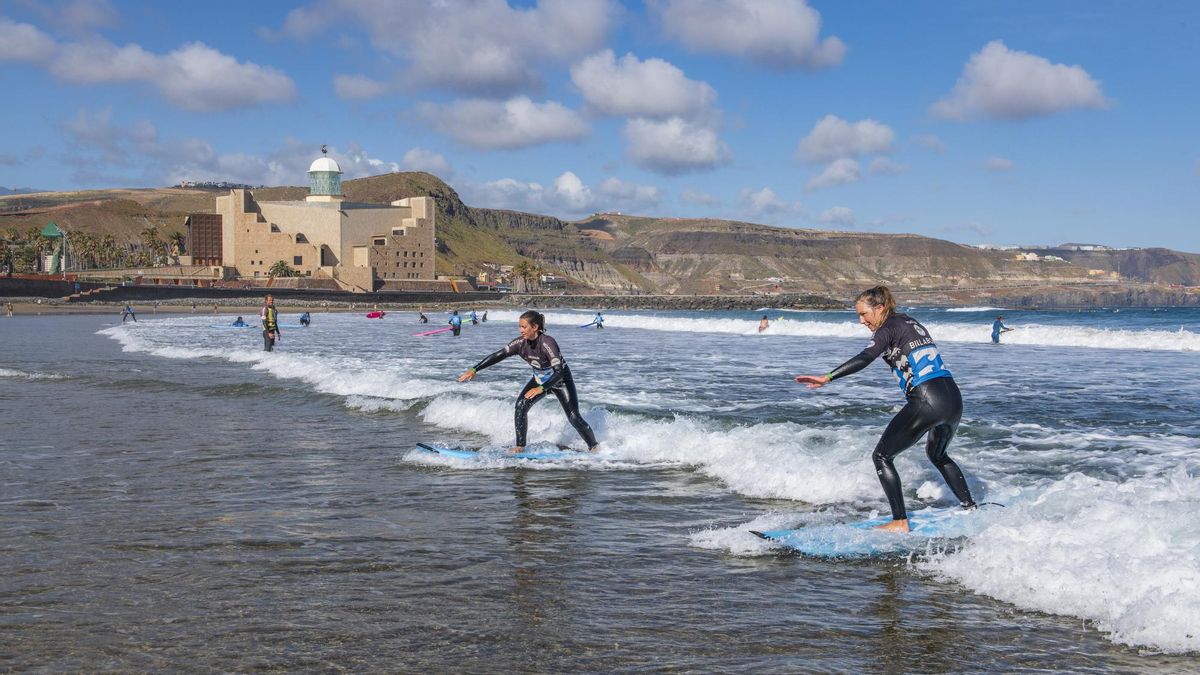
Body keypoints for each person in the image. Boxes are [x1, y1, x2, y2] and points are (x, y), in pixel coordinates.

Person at [793, 286, 976, 533]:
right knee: (938, 454)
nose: (861, 321)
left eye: (864, 314)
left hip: (926, 399)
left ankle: (899, 522)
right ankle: (970, 507)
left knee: (882, 456)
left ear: (880, 308)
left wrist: (828, 377)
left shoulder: (887, 328)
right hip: (952, 398)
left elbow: (865, 357)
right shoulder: (910, 322)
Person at [458, 310, 599, 454]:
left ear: (535, 327)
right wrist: (474, 369)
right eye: (519, 326)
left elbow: (559, 372)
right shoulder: (520, 343)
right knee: (521, 405)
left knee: (574, 417)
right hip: (540, 380)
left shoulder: (547, 343)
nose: (521, 330)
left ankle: (594, 447)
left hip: (560, 381)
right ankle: (520, 447)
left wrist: (541, 388)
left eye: (524, 327)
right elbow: (499, 355)